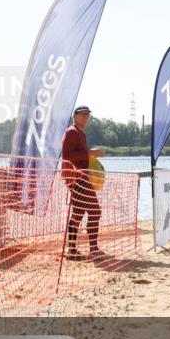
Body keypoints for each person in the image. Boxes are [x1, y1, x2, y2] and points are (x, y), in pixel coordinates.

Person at [61, 106, 112, 261]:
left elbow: (80, 156)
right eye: (82, 115)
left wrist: (92, 156)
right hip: (78, 179)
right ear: (75, 116)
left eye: (88, 115)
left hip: (81, 178)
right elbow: (67, 155)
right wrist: (91, 153)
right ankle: (94, 249)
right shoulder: (72, 132)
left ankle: (72, 249)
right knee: (95, 211)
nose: (86, 117)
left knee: (78, 213)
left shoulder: (80, 133)